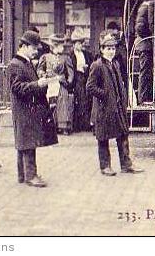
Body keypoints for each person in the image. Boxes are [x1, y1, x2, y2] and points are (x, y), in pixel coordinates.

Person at [86, 31, 143, 176]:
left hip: (117, 107)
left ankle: (126, 164)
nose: (111, 51)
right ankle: (105, 166)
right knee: (103, 138)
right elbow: (90, 86)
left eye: (113, 48)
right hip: (103, 108)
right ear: (102, 49)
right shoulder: (97, 65)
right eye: (108, 49)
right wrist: (104, 94)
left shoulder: (115, 64)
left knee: (123, 135)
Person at [7, 30, 57, 187]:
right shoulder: (16, 65)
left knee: (24, 142)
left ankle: (23, 175)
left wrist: (41, 83)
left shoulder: (25, 63)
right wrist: (38, 84)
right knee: (28, 142)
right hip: (24, 110)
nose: (36, 52)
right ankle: (31, 176)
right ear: (24, 46)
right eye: (34, 48)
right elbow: (17, 87)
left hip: (27, 109)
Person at [38, 34, 74, 134]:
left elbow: (70, 72)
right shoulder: (45, 57)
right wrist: (43, 74)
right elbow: (40, 70)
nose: (62, 48)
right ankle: (50, 125)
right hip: (49, 83)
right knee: (49, 103)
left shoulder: (65, 58)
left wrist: (68, 81)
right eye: (60, 46)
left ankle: (63, 126)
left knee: (62, 102)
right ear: (54, 46)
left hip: (61, 83)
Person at [134, 0, 155, 104]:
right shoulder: (146, 7)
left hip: (143, 44)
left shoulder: (144, 7)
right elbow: (140, 27)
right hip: (144, 44)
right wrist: (150, 36)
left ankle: (144, 97)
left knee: (146, 71)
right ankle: (143, 98)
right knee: (145, 71)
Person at [69, 29, 94, 131]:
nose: (80, 45)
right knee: (79, 100)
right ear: (74, 44)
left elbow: (91, 64)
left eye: (81, 43)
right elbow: (70, 68)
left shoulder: (86, 54)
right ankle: (77, 125)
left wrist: (86, 67)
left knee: (87, 100)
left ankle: (86, 124)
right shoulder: (71, 55)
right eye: (78, 43)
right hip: (77, 79)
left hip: (85, 77)